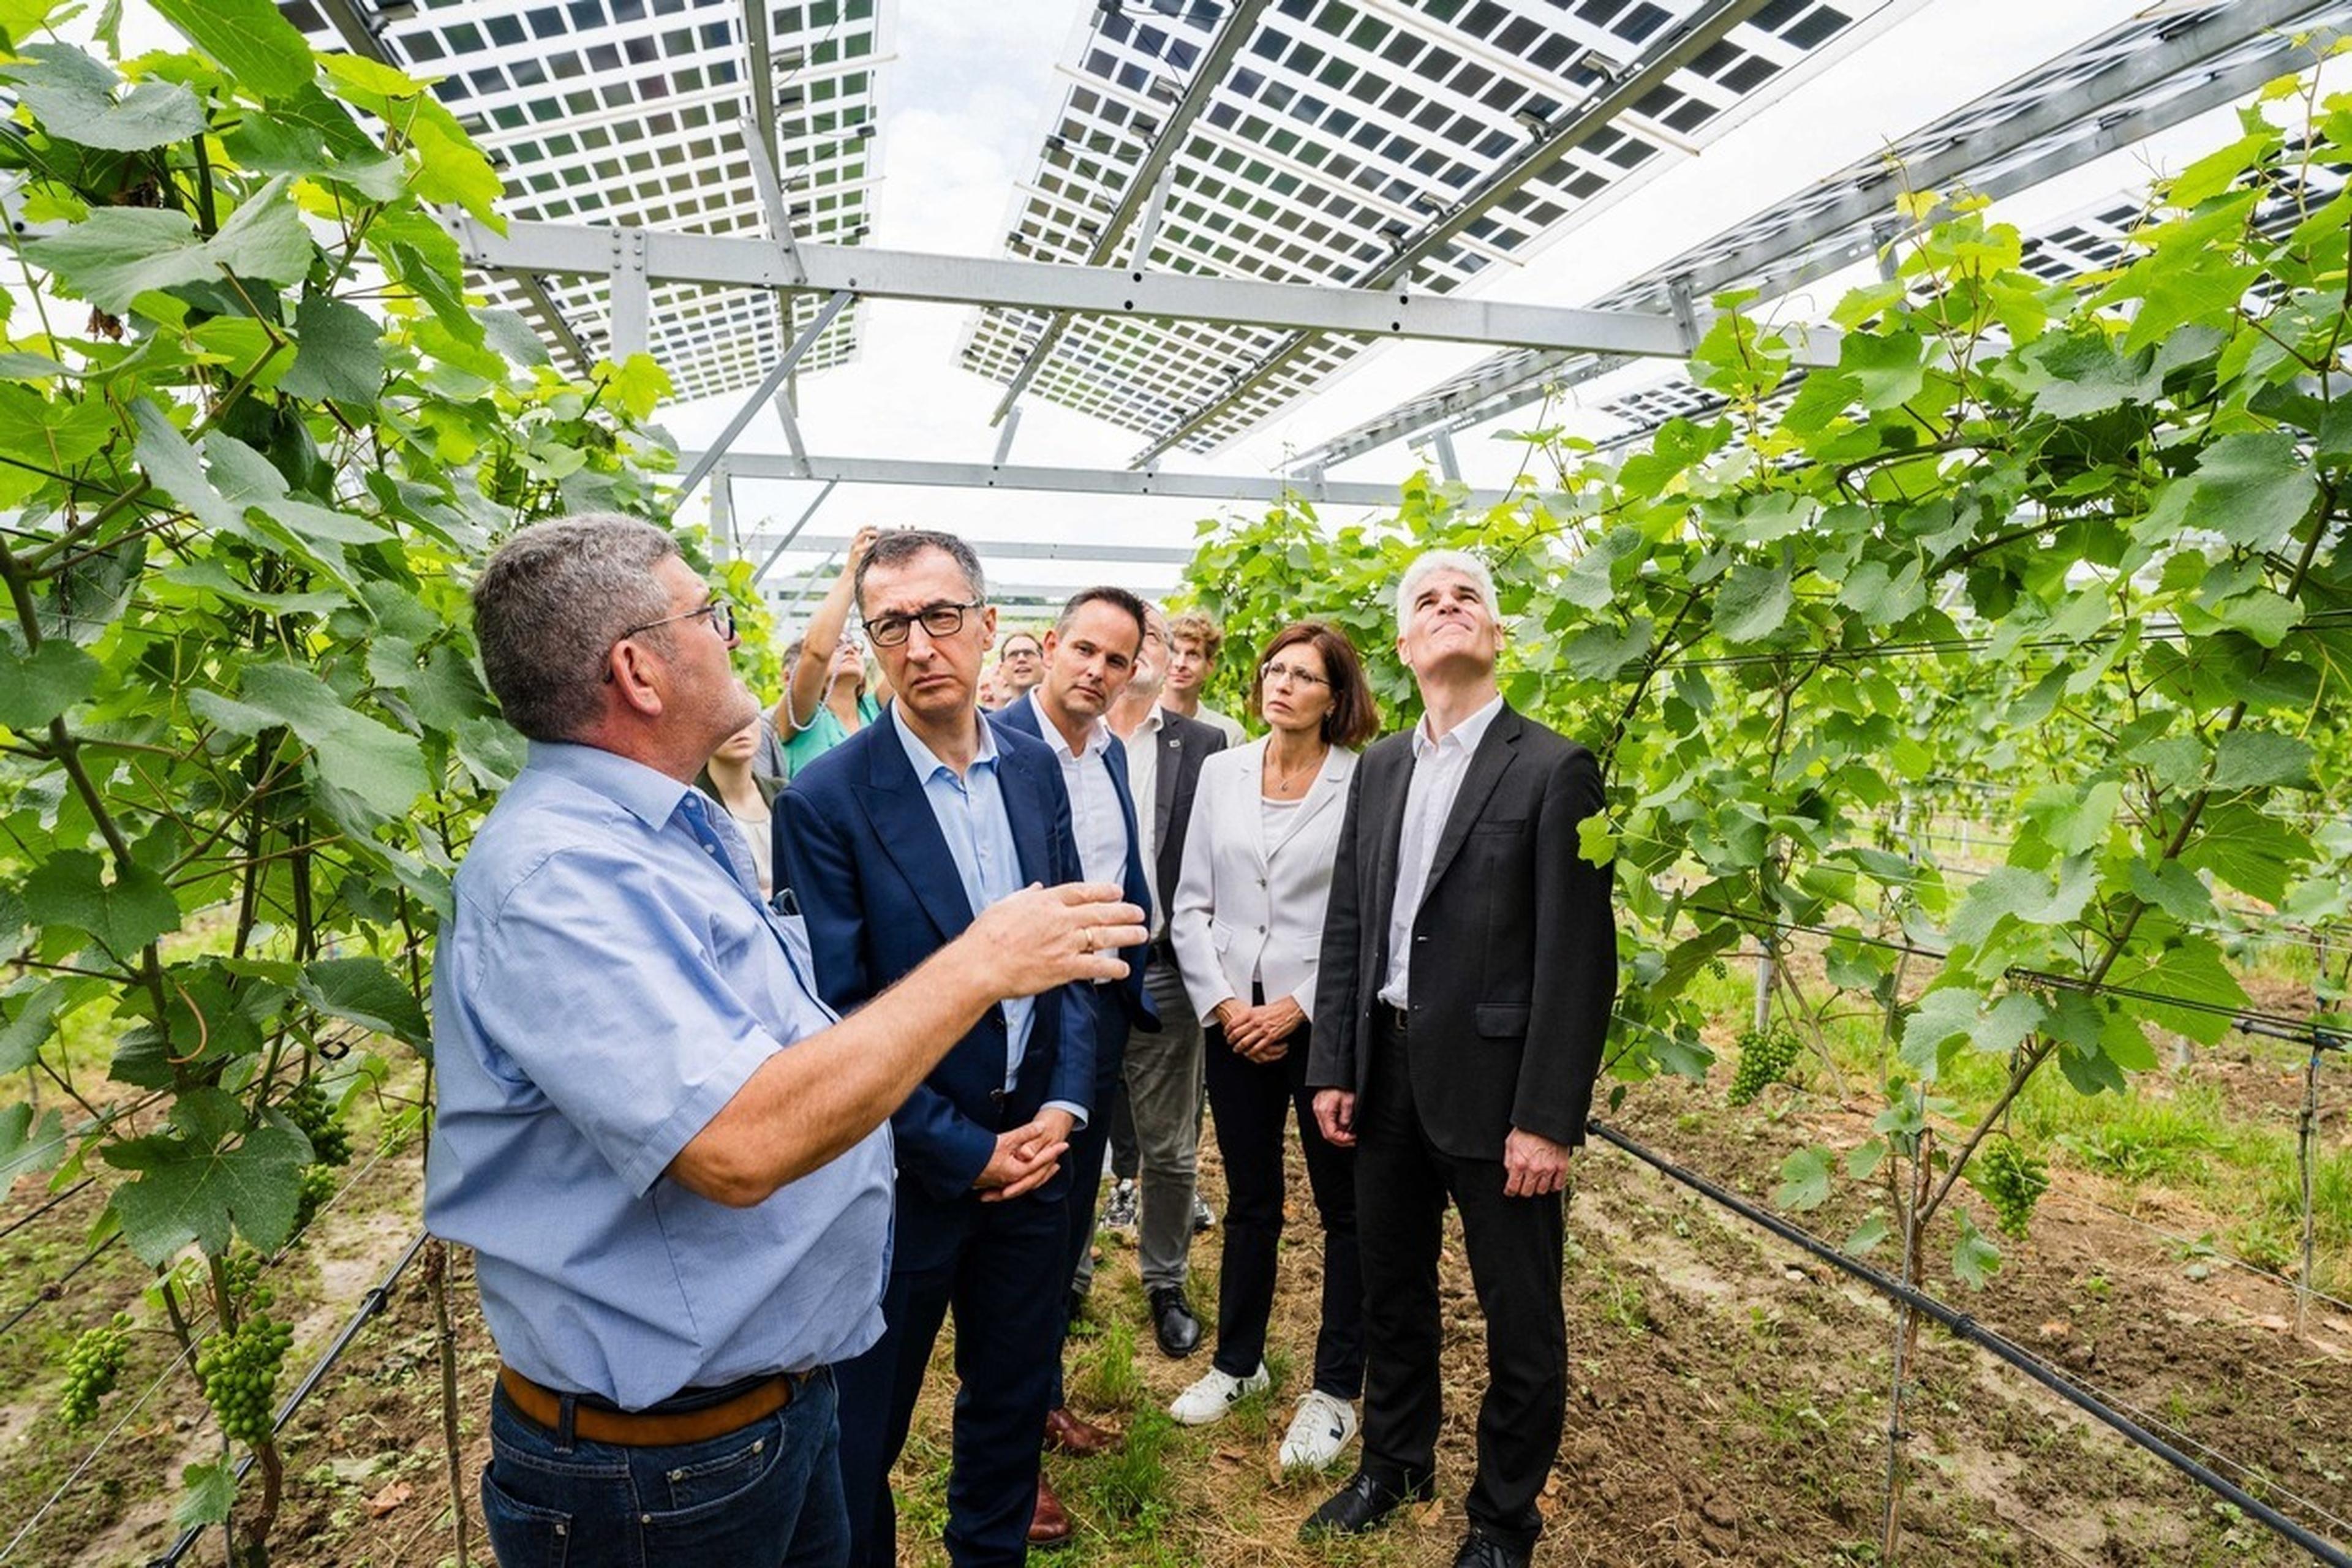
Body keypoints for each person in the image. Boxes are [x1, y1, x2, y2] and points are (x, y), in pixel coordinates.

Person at [428, 513, 1143, 1568]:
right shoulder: (561, 881)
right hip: (665, 1472)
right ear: (637, 669)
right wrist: (983, 965)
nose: (734, 634)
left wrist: (1055, 1105)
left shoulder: (670, 836)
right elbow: (741, 1137)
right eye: (709, 615)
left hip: (752, 1412)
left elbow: (798, 1036)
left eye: (940, 617)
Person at [774, 529, 1106, 1568]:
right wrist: (963, 1150)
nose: (919, 645)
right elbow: (836, 1016)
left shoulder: (1035, 774)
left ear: (988, 625)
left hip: (1035, 1158)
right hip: (902, 1175)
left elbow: (1075, 950)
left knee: (1009, 1401)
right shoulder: (826, 802)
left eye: (940, 617)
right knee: (861, 1435)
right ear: (867, 645)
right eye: (891, 626)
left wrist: (1063, 1106)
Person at [1301, 550, 1616, 1568]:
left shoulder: (1556, 768)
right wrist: (1334, 1064)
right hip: (1385, 1076)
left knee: (1521, 1318)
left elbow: (1579, 957)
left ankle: (1502, 1522)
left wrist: (1548, 1115)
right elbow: (1351, 923)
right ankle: (1395, 1464)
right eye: (1426, 602)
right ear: (1404, 645)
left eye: (1466, 597)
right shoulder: (1382, 767)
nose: (1447, 609)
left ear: (1495, 635)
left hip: (1496, 1095)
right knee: (1392, 1290)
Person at [1167, 620, 1378, 1470]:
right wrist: (1221, 1003)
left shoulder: (1362, 785)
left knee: (1344, 1208)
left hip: (1317, 1023)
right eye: (1273, 670)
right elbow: (1188, 903)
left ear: (1336, 697)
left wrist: (1297, 1004)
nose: (1281, 684)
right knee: (1252, 1197)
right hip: (1234, 1021)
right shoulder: (1221, 769)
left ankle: (1335, 1391)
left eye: (1303, 675)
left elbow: (1363, 915)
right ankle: (1238, 1364)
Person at [989, 587, 1158, 1544]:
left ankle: (1040, 1395)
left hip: (1095, 1006)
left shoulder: (1114, 753)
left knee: (1067, 1220)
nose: (1096, 671)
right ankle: (1008, 1459)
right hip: (1020, 1014)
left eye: (1116, 660)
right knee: (1019, 1231)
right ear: (1049, 648)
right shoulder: (998, 749)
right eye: (1083, 651)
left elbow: (1122, 872)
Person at [1101, 602, 1226, 1360]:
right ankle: (1065, 1282)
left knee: (1172, 1145)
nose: (1151, 652)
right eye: (1138, 639)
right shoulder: (1050, 738)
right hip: (1072, 970)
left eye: (1158, 638)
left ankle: (1165, 1281)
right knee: (1067, 1131)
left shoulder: (1204, 745)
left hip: (1165, 969)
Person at [772, 525, 882, 778]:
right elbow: (816, 652)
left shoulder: (875, 709)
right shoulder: (802, 716)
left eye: (854, 645)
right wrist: (852, 571)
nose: (850, 650)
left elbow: (905, 653)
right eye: (838, 645)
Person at [695, 714, 785, 898]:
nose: (740, 726)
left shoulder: (785, 792)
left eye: (749, 715)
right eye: (726, 715)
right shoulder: (693, 807)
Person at [1162, 611, 1246, 745]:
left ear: (1210, 666)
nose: (1180, 664)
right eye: (1174, 653)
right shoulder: (1140, 721)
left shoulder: (1229, 733)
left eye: (1192, 655)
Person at [996, 628, 1045, 705]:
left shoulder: (1065, 713)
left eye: (1028, 653)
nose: (1021, 659)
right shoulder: (993, 717)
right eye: (1013, 655)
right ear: (1002, 669)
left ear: (1044, 663)